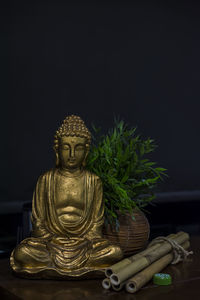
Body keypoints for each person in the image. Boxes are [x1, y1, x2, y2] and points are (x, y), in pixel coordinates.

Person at [10, 115, 123, 279]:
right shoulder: (46, 180)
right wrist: (54, 240)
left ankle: (56, 268)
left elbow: (96, 224)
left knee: (114, 252)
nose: (71, 154)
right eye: (65, 147)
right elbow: (38, 222)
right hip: (50, 244)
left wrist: (82, 241)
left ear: (86, 152)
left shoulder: (93, 181)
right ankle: (71, 266)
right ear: (57, 150)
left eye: (78, 148)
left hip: (84, 245)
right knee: (23, 253)